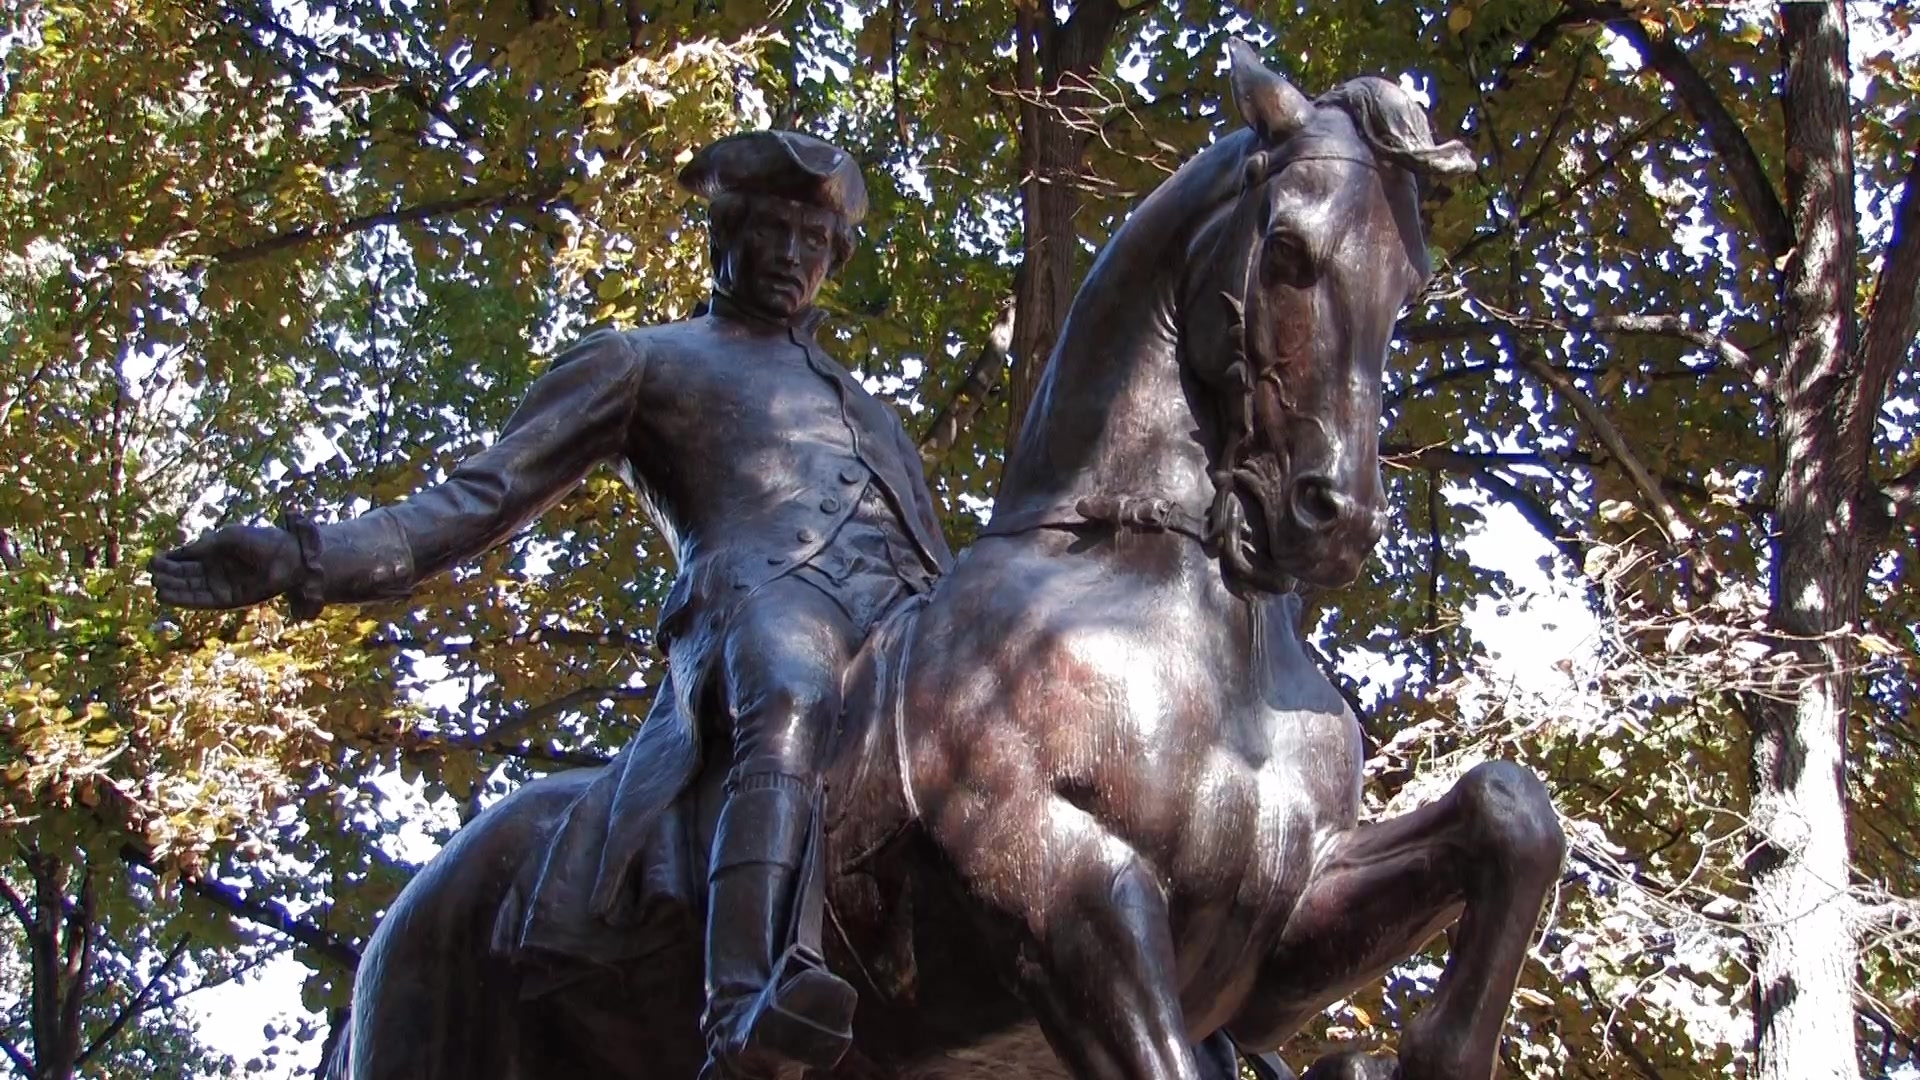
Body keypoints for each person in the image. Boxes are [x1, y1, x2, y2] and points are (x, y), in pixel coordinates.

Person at [149, 130, 952, 1078]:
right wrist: (304, 556)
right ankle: (743, 1004)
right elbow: (482, 497)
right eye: (771, 229)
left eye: (812, 240)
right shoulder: (643, 362)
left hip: (897, 626)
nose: (790, 255)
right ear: (724, 233)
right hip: (760, 610)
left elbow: (933, 558)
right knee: (790, 687)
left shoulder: (870, 411)